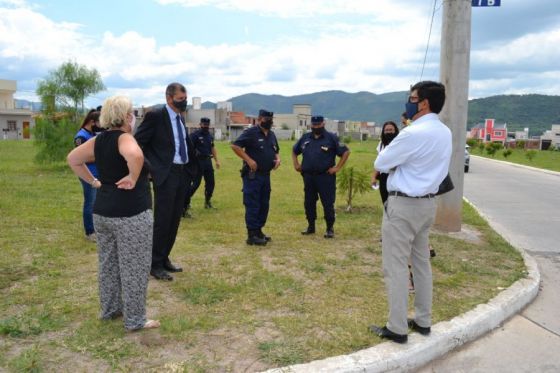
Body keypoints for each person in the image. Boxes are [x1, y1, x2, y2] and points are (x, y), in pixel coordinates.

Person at [67, 95, 159, 331]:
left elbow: (73, 158)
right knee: (135, 268)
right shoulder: (125, 138)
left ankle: (110, 310)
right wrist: (133, 176)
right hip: (131, 214)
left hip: (103, 212)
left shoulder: (99, 140)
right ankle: (135, 320)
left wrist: (94, 182)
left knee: (108, 264)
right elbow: (135, 156)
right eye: (133, 114)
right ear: (128, 116)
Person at [369, 81, 452, 344]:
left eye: (412, 98)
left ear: (424, 103)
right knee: (421, 263)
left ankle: (397, 327)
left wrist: (399, 163)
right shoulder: (444, 132)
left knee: (395, 266)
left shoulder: (412, 133)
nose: (409, 101)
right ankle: (423, 320)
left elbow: (380, 162)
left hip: (403, 205)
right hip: (427, 204)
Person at [135, 83, 198, 281]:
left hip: (181, 173)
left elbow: (181, 144)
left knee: (174, 219)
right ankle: (154, 264)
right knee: (162, 220)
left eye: (185, 98)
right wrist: (151, 169)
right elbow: (138, 143)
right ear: (169, 98)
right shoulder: (156, 115)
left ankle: (164, 258)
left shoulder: (179, 117)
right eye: (181, 98)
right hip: (166, 174)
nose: (184, 102)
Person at [292, 115, 350, 238]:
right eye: (314, 125)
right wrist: (296, 163)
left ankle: (329, 228)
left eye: (318, 125)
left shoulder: (332, 138)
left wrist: (337, 167)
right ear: (311, 125)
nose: (316, 127)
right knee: (309, 202)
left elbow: (345, 152)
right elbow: (294, 150)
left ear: (323, 124)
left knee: (328, 203)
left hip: (325, 177)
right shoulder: (305, 137)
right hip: (308, 177)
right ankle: (311, 226)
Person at [231, 109, 281, 246]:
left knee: (264, 204)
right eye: (266, 119)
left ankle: (259, 231)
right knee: (253, 204)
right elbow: (235, 146)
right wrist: (249, 160)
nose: (269, 121)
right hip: (253, 176)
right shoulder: (251, 133)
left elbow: (276, 150)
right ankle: (251, 235)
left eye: (271, 119)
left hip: (266, 175)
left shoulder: (271, 135)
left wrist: (278, 159)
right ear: (259, 119)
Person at [183, 117, 221, 215]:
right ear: (200, 124)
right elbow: (189, 147)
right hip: (197, 162)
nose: (206, 126)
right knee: (196, 184)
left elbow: (212, 148)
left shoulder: (209, 135)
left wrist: (217, 160)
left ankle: (207, 202)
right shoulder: (195, 135)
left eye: (207, 125)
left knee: (211, 183)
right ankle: (185, 203)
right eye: (204, 125)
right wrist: (195, 154)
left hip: (207, 161)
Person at [74, 110, 101, 242]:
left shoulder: (92, 134)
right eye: (98, 122)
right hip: (87, 174)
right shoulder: (81, 136)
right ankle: (90, 231)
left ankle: (97, 228)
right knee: (90, 202)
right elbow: (81, 158)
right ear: (92, 122)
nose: (100, 125)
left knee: (97, 203)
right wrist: (101, 155)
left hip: (97, 173)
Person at [371, 121, 399, 205]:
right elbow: (378, 162)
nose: (389, 132)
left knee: (395, 201)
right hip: (383, 177)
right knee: (385, 200)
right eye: (386, 130)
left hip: (396, 176)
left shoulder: (400, 143)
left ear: (395, 130)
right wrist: (373, 177)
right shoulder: (381, 144)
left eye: (391, 130)